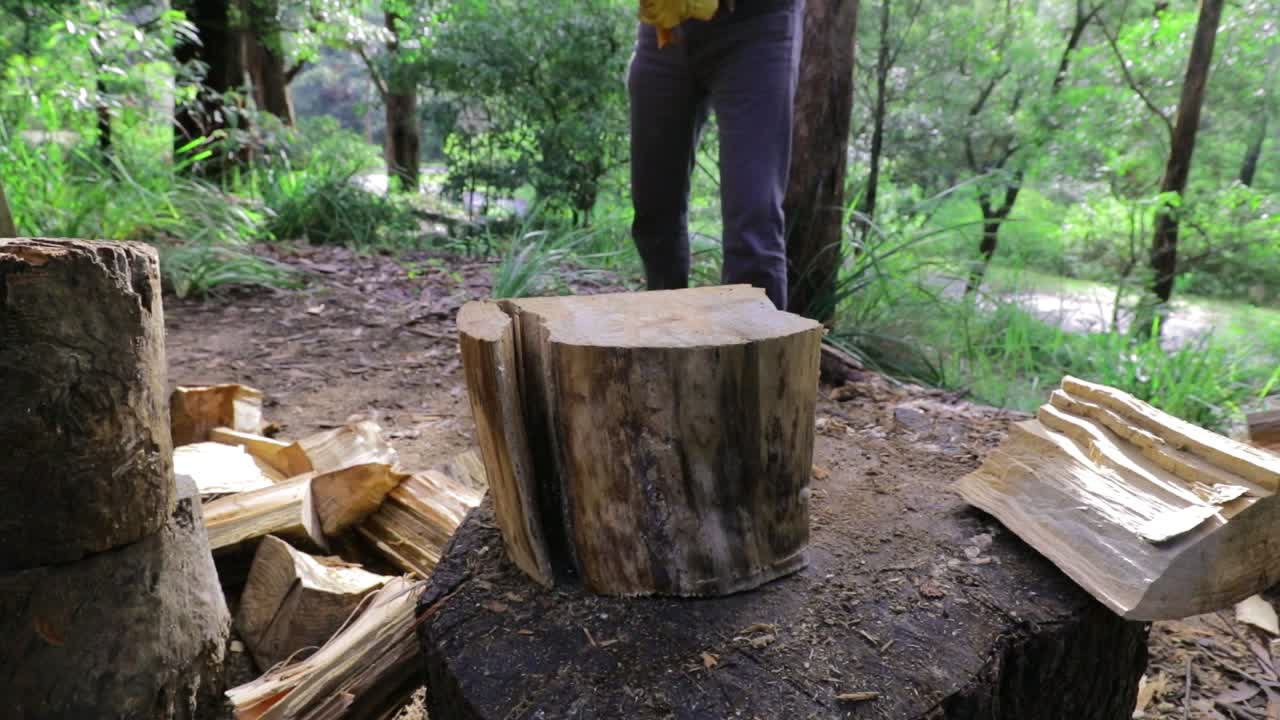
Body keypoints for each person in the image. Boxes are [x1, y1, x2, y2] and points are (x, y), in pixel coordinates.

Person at [628, 0, 805, 310]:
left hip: (757, 27)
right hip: (666, 25)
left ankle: (756, 354)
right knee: (654, 216)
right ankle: (666, 344)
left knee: (753, 229)